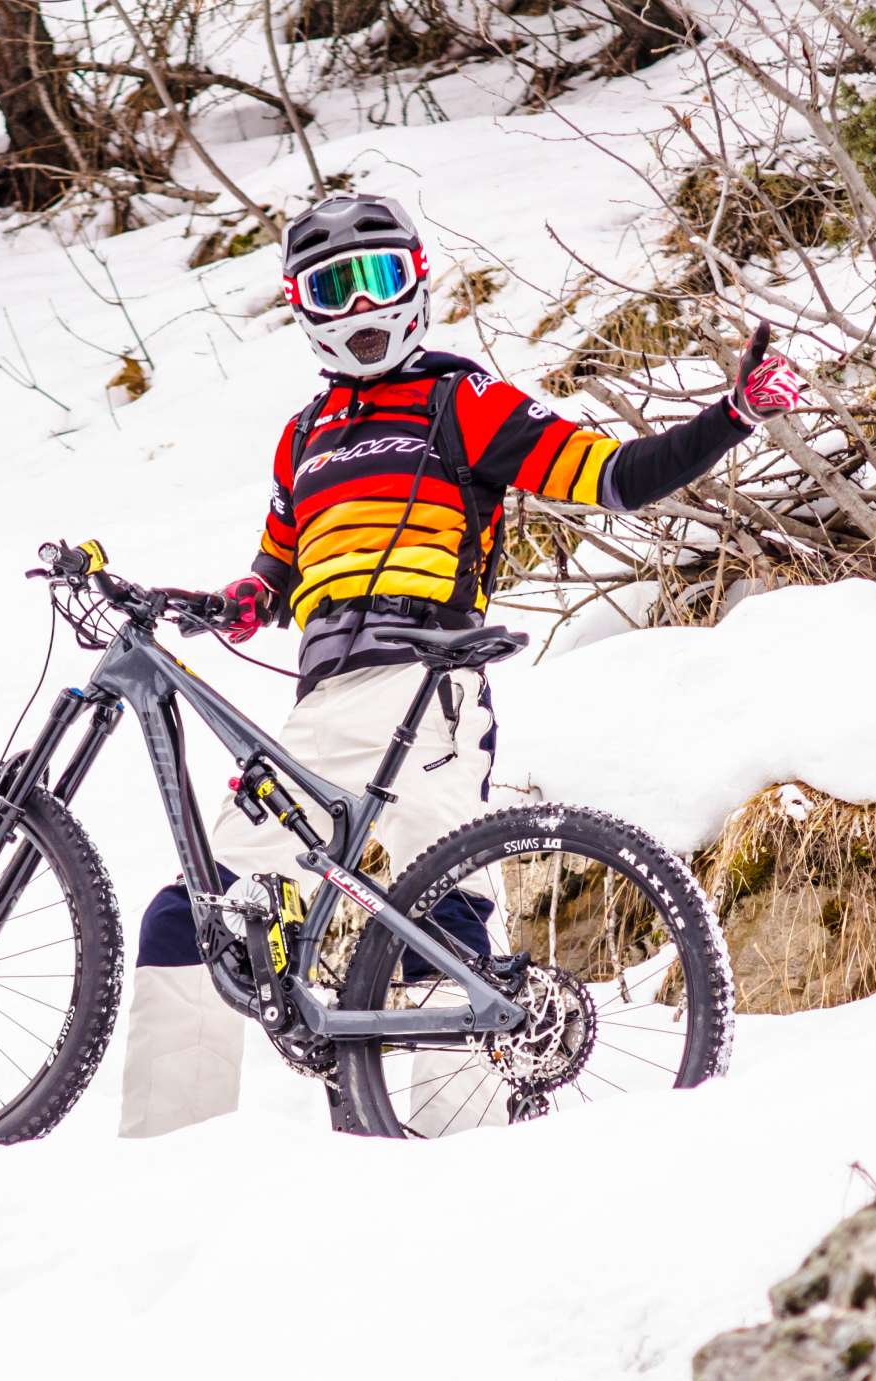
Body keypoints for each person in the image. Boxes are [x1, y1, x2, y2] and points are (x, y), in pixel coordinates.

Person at [118, 193, 803, 1137]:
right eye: (334, 286)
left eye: (380, 277)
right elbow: (279, 563)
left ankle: (465, 1151)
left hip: (430, 688)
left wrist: (732, 416)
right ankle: (167, 1169)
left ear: (417, 281)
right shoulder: (303, 436)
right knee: (193, 920)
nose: (361, 306)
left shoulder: (464, 399)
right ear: (301, 304)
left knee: (444, 917)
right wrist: (241, 597)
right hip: (320, 708)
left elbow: (614, 475)